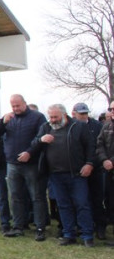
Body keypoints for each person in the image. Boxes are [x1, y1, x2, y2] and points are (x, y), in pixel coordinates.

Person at [28, 104, 95, 246]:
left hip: (77, 174)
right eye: (50, 117)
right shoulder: (46, 127)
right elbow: (34, 144)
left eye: (55, 117)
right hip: (55, 175)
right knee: (63, 205)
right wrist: (41, 140)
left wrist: (89, 163)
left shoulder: (78, 126)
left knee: (82, 204)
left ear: (64, 115)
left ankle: (87, 235)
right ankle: (68, 234)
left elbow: (90, 146)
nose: (52, 120)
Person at [0, 94, 47, 237]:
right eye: (13, 106)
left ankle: (40, 228)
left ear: (25, 103)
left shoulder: (37, 117)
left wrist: (29, 152)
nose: (15, 108)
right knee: (15, 197)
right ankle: (18, 226)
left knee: (36, 196)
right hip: (12, 164)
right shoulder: (9, 118)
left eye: (18, 105)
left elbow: (41, 137)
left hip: (31, 163)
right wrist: (2, 123)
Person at [71, 102, 105, 240]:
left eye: (85, 113)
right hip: (77, 170)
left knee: (97, 199)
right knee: (81, 201)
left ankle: (100, 227)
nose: (84, 116)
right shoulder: (71, 126)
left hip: (95, 169)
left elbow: (100, 146)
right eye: (81, 113)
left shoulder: (97, 126)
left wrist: (91, 164)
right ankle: (82, 226)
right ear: (74, 113)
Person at [96, 100, 114, 246]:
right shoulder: (107, 126)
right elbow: (99, 143)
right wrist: (104, 160)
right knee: (109, 201)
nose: (112, 111)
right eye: (111, 108)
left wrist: (111, 161)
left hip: (110, 165)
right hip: (107, 170)